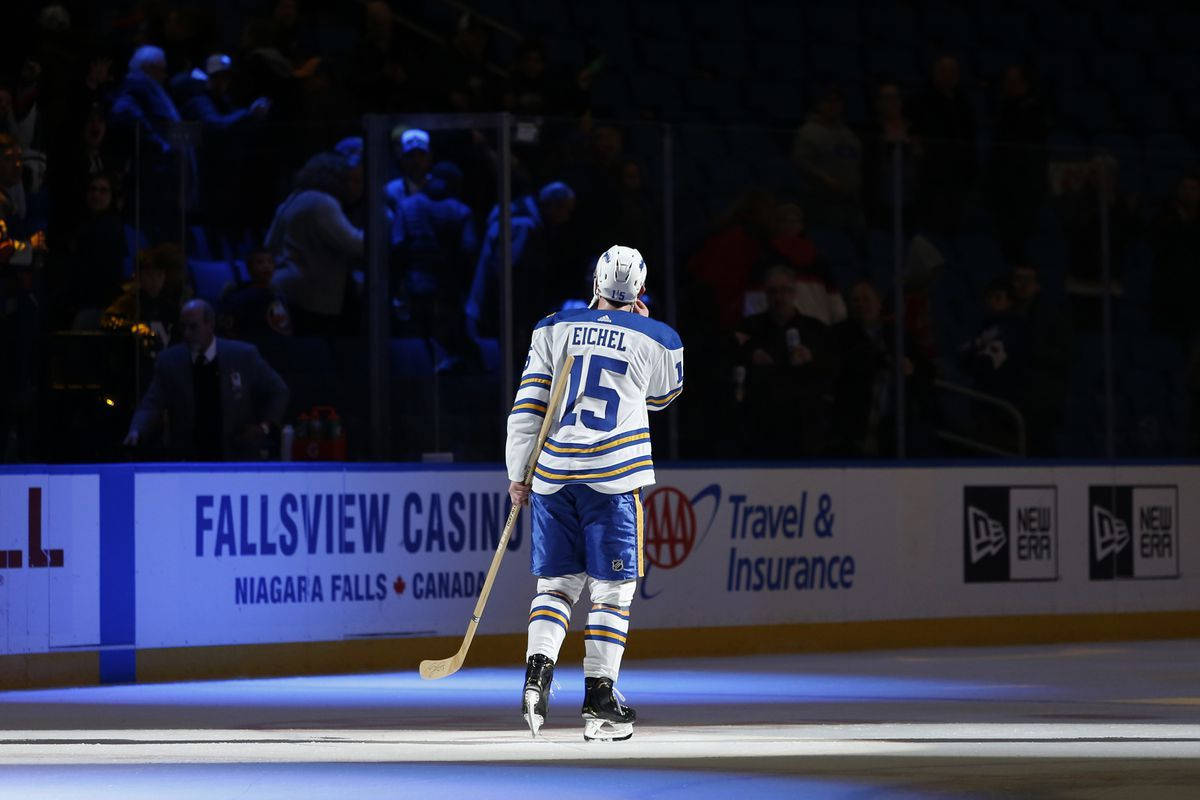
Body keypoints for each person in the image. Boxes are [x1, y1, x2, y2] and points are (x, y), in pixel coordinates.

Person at [507, 245, 683, 741]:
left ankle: (536, 676)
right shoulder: (660, 337)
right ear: (641, 292)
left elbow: (528, 406)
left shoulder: (552, 327)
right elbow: (662, 396)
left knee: (557, 587)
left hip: (552, 474)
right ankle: (600, 700)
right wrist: (639, 329)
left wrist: (517, 472)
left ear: (596, 285)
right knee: (613, 591)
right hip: (613, 473)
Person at [123, 298, 289, 460]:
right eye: (183, 327)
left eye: (193, 327)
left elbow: (278, 390)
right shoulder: (171, 362)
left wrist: (264, 427)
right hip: (189, 460)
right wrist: (137, 430)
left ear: (210, 324)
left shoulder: (243, 356)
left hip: (236, 457)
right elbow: (152, 403)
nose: (187, 333)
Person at [265, 151, 364, 335]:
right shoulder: (322, 203)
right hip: (311, 296)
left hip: (288, 289)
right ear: (336, 178)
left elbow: (269, 243)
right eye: (352, 180)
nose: (358, 188)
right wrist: (382, 225)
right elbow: (356, 244)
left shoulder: (295, 197)